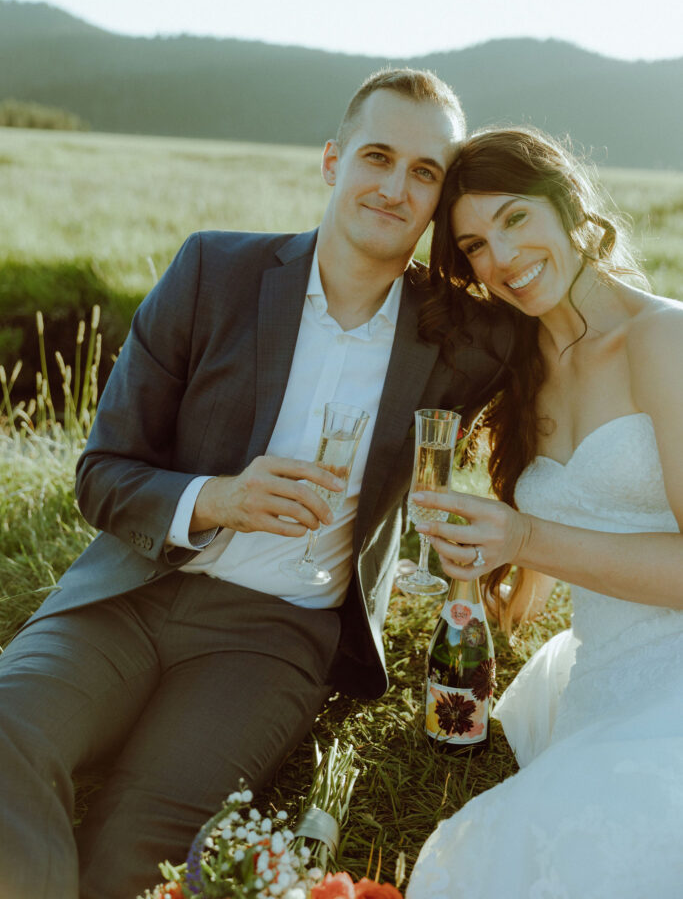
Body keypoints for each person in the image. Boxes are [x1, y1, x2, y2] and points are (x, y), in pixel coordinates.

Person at [0, 69, 512, 899]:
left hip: (270, 635)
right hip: (129, 598)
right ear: (331, 162)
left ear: (439, 199)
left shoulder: (463, 335)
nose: (393, 187)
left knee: (147, 840)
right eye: (376, 157)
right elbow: (101, 472)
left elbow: (574, 328)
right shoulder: (213, 272)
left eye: (424, 172)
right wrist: (220, 497)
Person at [406, 126, 683, 898]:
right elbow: (556, 540)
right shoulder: (522, 368)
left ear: (568, 205)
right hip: (599, 672)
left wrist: (525, 533)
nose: (500, 258)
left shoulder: (662, 338)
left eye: (514, 219)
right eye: (473, 246)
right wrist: (490, 580)